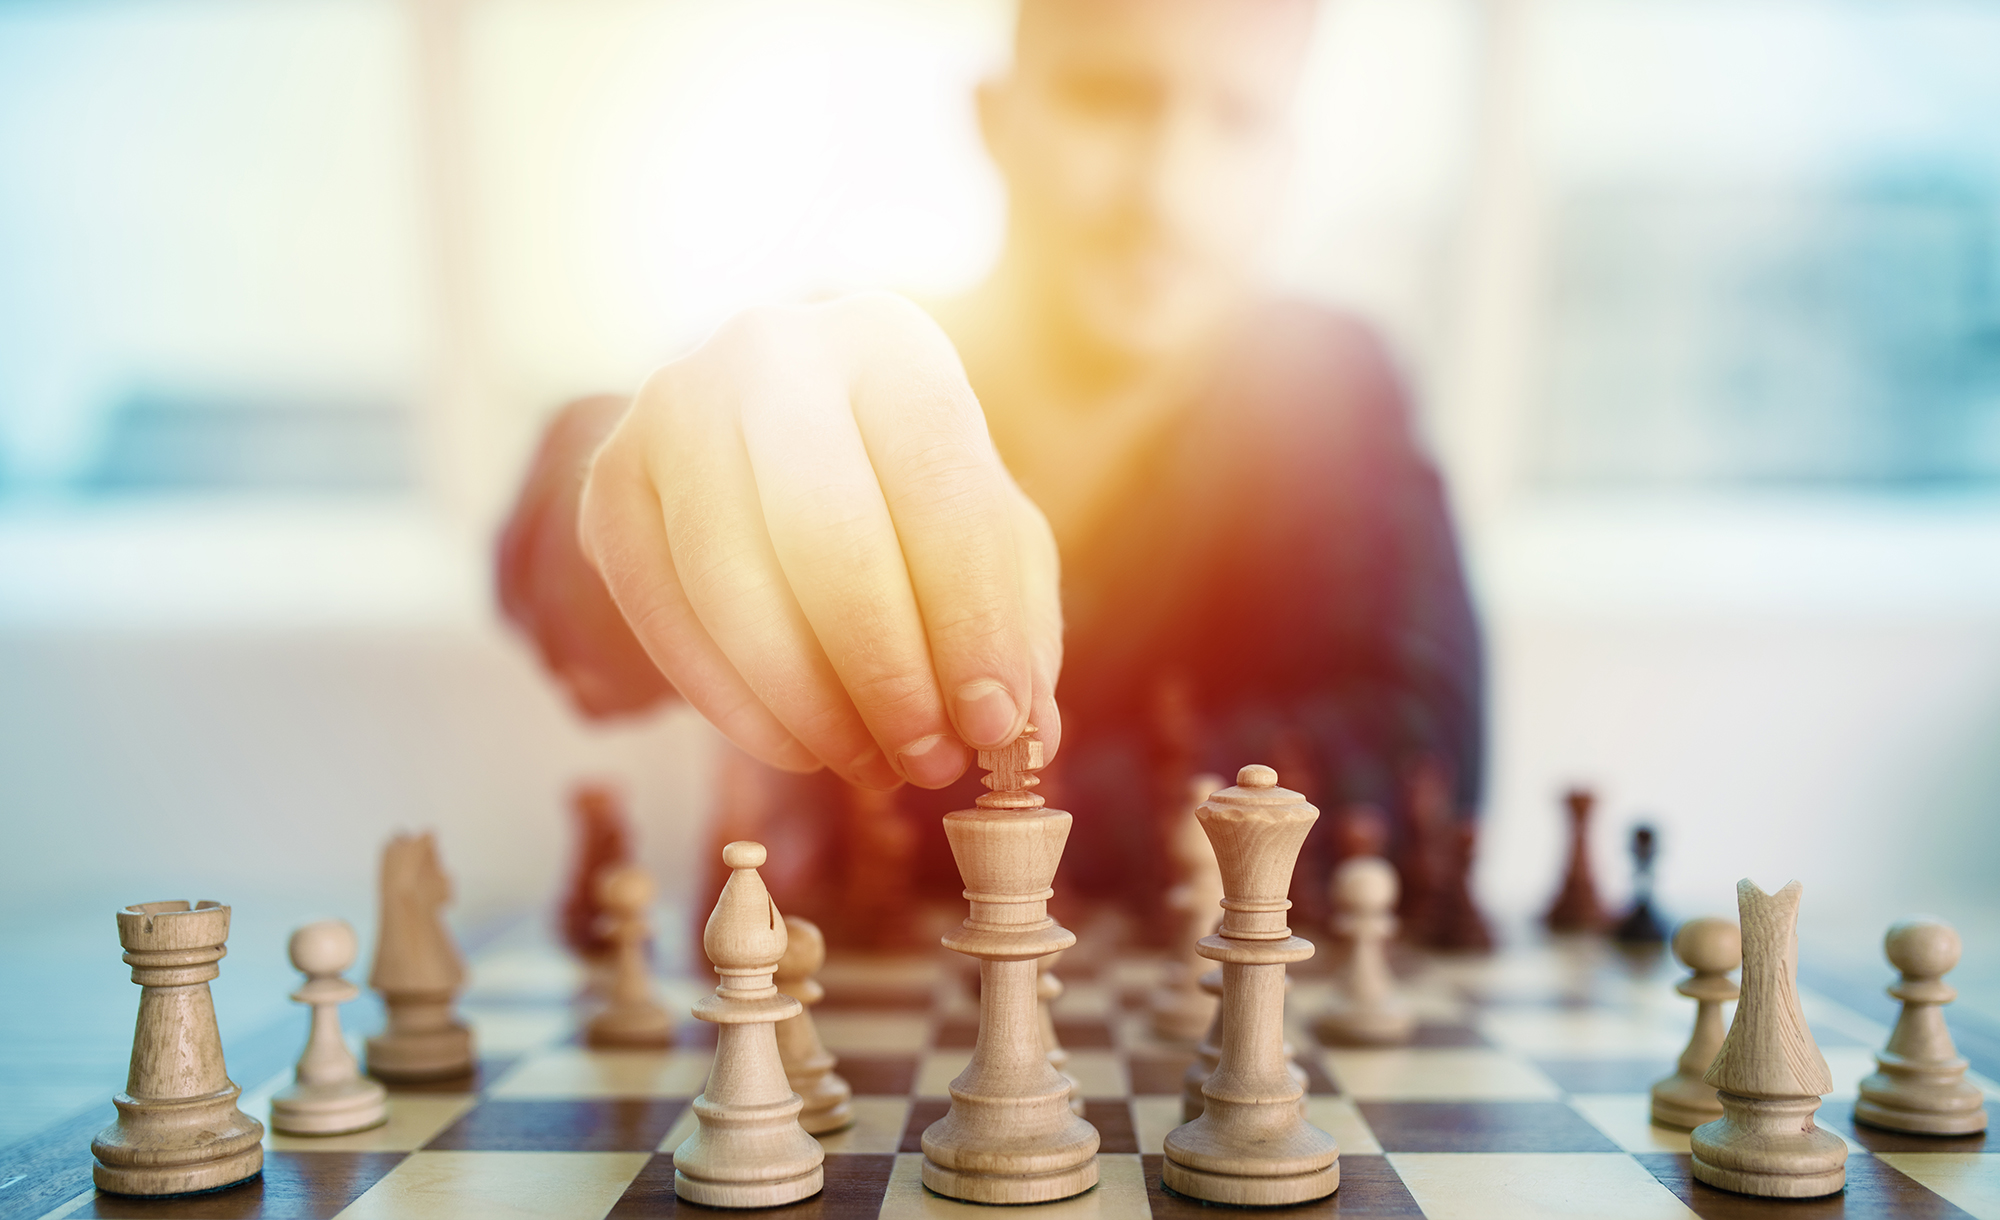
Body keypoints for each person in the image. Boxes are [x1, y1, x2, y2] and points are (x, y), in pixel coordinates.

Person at [498, 0, 1484, 946]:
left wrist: (955, 822)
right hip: (814, 1065)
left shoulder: (1338, 394)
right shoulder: (832, 360)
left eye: (1239, 118)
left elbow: (1419, 753)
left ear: (1287, 163)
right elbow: (571, 520)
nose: (1166, 191)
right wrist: (625, 492)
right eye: (1109, 99)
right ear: (996, 119)